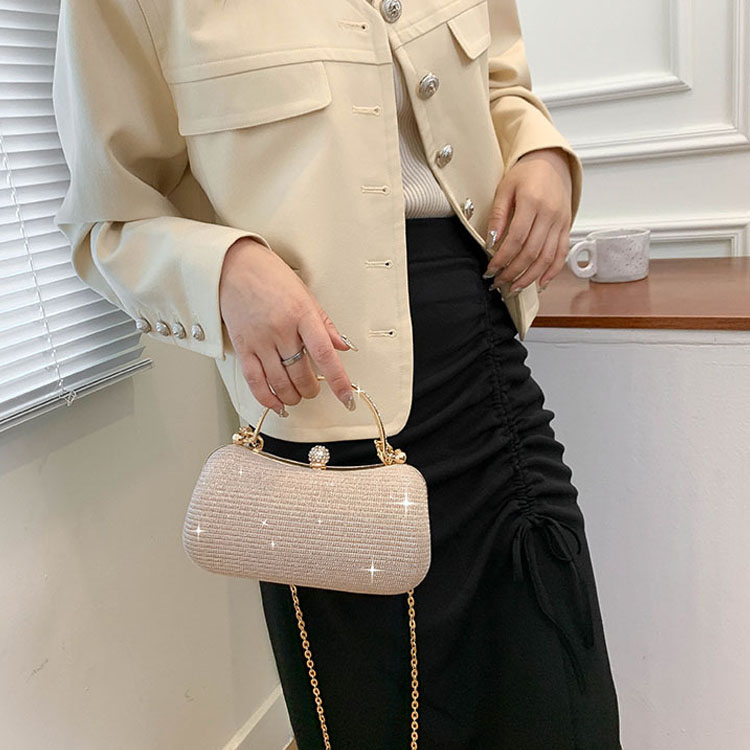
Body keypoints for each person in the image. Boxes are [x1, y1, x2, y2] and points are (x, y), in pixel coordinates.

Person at [52, 0, 622, 747]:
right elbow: (107, 220)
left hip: (487, 374)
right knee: (374, 721)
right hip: (320, 422)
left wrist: (540, 155)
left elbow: (501, 87)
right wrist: (225, 270)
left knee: (560, 701)